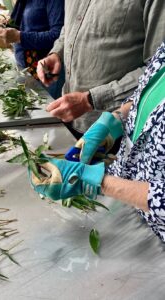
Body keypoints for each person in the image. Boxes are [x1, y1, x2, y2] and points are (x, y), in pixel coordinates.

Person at [29, 41, 165, 242]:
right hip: (125, 196)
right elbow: (149, 88)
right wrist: (117, 118)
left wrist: (95, 182)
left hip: (154, 236)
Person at [37, 0, 165, 136]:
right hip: (69, 116)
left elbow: (159, 72)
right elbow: (70, 26)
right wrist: (57, 53)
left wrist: (90, 100)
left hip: (117, 129)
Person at [0, 0, 65, 99]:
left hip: (47, 72)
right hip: (26, 70)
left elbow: (59, 36)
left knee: (47, 110)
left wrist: (19, 37)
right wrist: (8, 25)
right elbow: (28, 24)